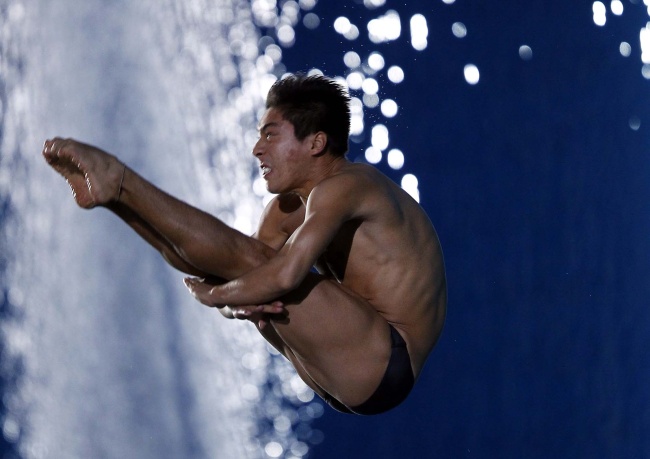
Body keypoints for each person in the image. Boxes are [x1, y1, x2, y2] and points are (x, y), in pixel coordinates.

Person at [42, 74, 447, 415]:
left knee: (255, 266)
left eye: (271, 135)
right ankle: (115, 197)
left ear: (316, 143)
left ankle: (120, 180)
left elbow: (282, 275)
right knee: (239, 266)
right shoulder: (287, 209)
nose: (257, 149)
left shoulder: (348, 186)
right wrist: (229, 297)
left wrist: (219, 297)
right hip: (340, 369)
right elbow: (221, 265)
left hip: (387, 359)